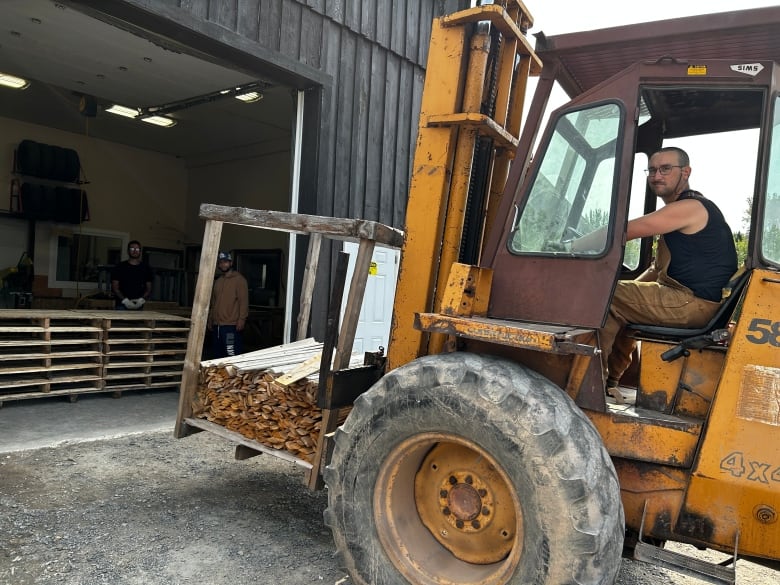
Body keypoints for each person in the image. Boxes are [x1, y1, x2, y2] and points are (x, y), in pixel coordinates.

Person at [572, 147, 737, 403]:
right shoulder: (681, 214)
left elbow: (628, 230)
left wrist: (573, 246)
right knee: (620, 301)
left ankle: (590, 387)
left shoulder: (691, 207)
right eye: (652, 170)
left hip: (691, 303)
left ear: (686, 172)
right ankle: (610, 383)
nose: (656, 175)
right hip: (689, 301)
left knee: (604, 296)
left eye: (665, 169)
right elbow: (657, 270)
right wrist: (626, 290)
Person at [208, 251, 249, 358]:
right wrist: (211, 318)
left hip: (231, 326)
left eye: (226, 262)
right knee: (217, 355)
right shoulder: (218, 281)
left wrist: (242, 320)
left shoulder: (239, 280)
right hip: (217, 326)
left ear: (231, 263)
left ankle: (233, 375)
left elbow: (243, 301)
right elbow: (214, 302)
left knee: (231, 353)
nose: (223, 264)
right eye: (221, 262)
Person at [111, 240, 153, 310]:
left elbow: (149, 289)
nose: (134, 251)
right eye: (132, 249)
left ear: (140, 251)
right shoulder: (119, 267)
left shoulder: (146, 268)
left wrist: (141, 300)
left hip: (139, 306)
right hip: (121, 305)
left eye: (137, 249)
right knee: (120, 321)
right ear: (128, 251)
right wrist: (125, 301)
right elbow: (115, 288)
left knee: (138, 321)